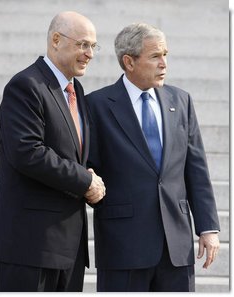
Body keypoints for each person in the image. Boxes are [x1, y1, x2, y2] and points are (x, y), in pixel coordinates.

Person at [86, 23, 220, 292]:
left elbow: (196, 168)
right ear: (129, 61)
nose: (164, 63)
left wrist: (208, 228)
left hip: (176, 247)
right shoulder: (96, 105)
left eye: (166, 55)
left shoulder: (181, 100)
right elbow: (87, 166)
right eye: (155, 56)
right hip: (123, 245)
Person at [0, 11, 105, 292]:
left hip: (68, 251)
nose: (89, 53)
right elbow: (27, 152)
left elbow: (75, 155)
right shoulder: (27, 85)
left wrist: (91, 178)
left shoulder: (76, 91)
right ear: (56, 40)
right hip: (30, 248)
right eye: (83, 44)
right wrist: (84, 180)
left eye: (93, 46)